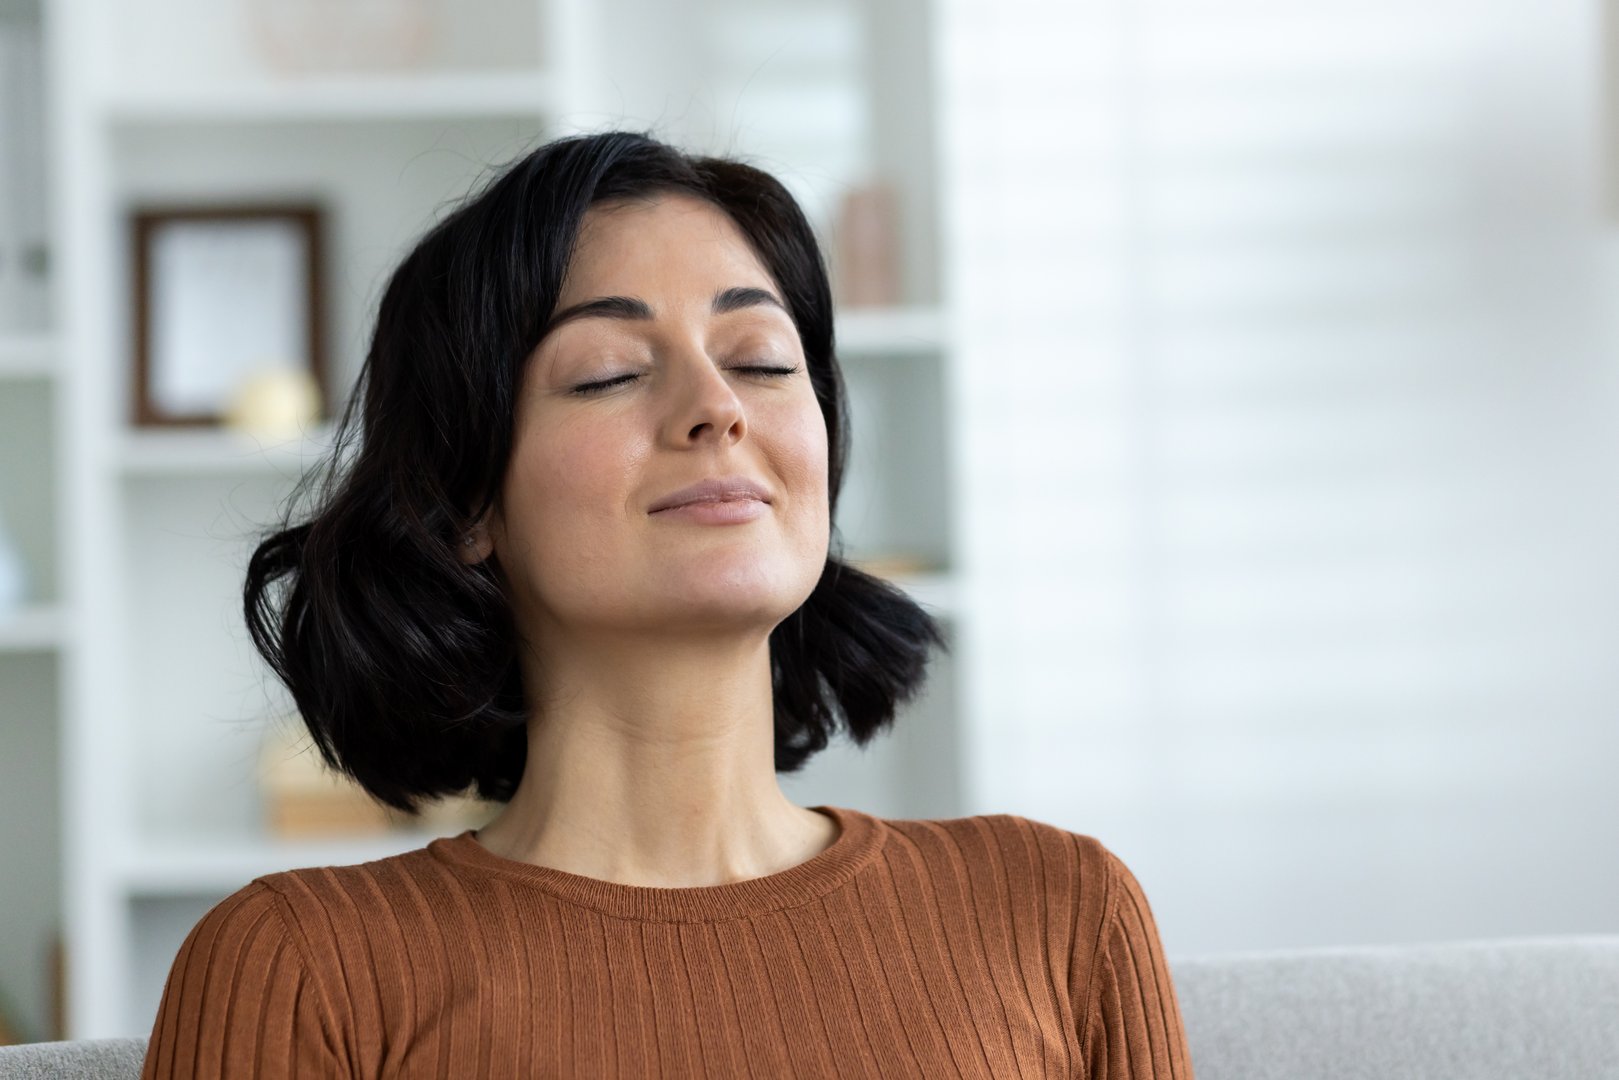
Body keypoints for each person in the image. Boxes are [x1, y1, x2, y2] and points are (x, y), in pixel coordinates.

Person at [139, 129, 1195, 1079]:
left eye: (762, 360)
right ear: (468, 502)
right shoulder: (304, 970)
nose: (717, 409)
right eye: (606, 373)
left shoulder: (1061, 911)